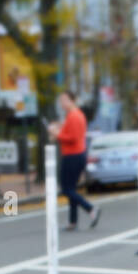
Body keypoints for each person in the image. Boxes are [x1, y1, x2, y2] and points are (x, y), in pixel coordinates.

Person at [48, 90, 100, 231]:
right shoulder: (71, 116)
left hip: (73, 155)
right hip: (74, 155)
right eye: (61, 100)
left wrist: (56, 134)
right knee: (71, 188)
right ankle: (73, 221)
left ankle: (90, 208)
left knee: (66, 189)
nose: (62, 103)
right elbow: (66, 133)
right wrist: (58, 131)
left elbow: (72, 138)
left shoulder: (75, 116)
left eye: (64, 100)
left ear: (72, 100)